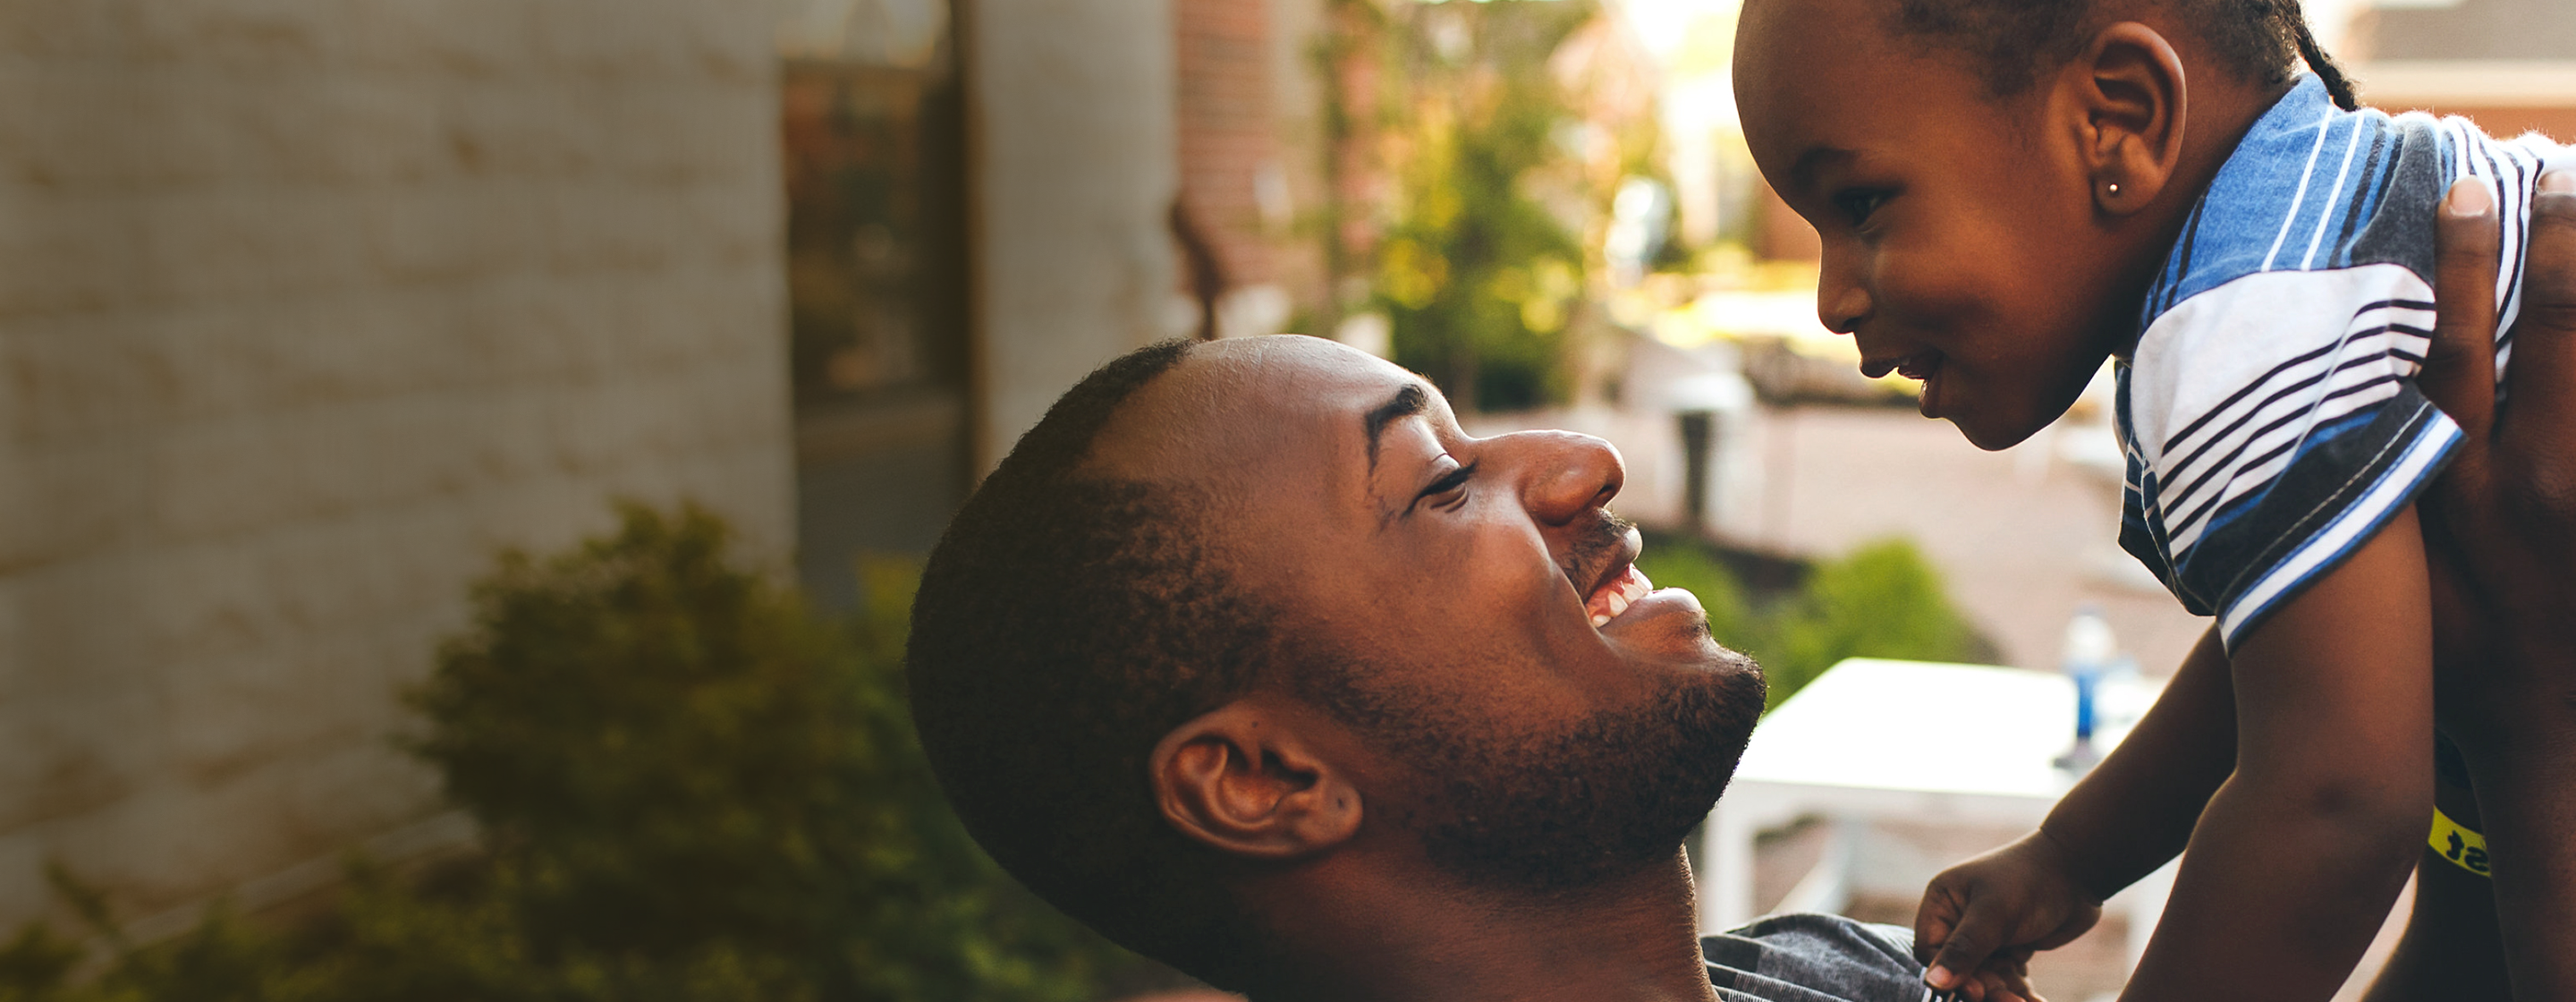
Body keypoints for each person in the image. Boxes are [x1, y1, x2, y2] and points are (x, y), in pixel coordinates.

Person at [901, 174, 2574, 1002]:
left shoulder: (1817, 971)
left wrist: (2473, 749)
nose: (1576, 465)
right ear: (1266, 778)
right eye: (1435, 486)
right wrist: (2538, 738)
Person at [1728, 0, 2570, 998]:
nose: (1832, 299)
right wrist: (2071, 857)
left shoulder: (2239, 320)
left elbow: (2336, 802)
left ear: (2118, 119)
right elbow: (2301, 665)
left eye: (1862, 202)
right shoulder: (2308, 242)